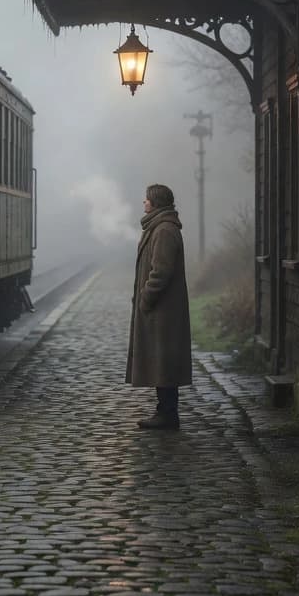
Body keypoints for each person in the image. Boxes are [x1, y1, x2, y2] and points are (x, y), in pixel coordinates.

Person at [126, 183, 193, 429]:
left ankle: (167, 414)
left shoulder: (163, 230)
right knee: (161, 361)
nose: (143, 203)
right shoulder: (160, 226)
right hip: (161, 310)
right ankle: (165, 411)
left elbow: (161, 271)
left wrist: (146, 298)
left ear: (155, 202)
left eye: (146, 199)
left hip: (162, 310)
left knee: (163, 361)